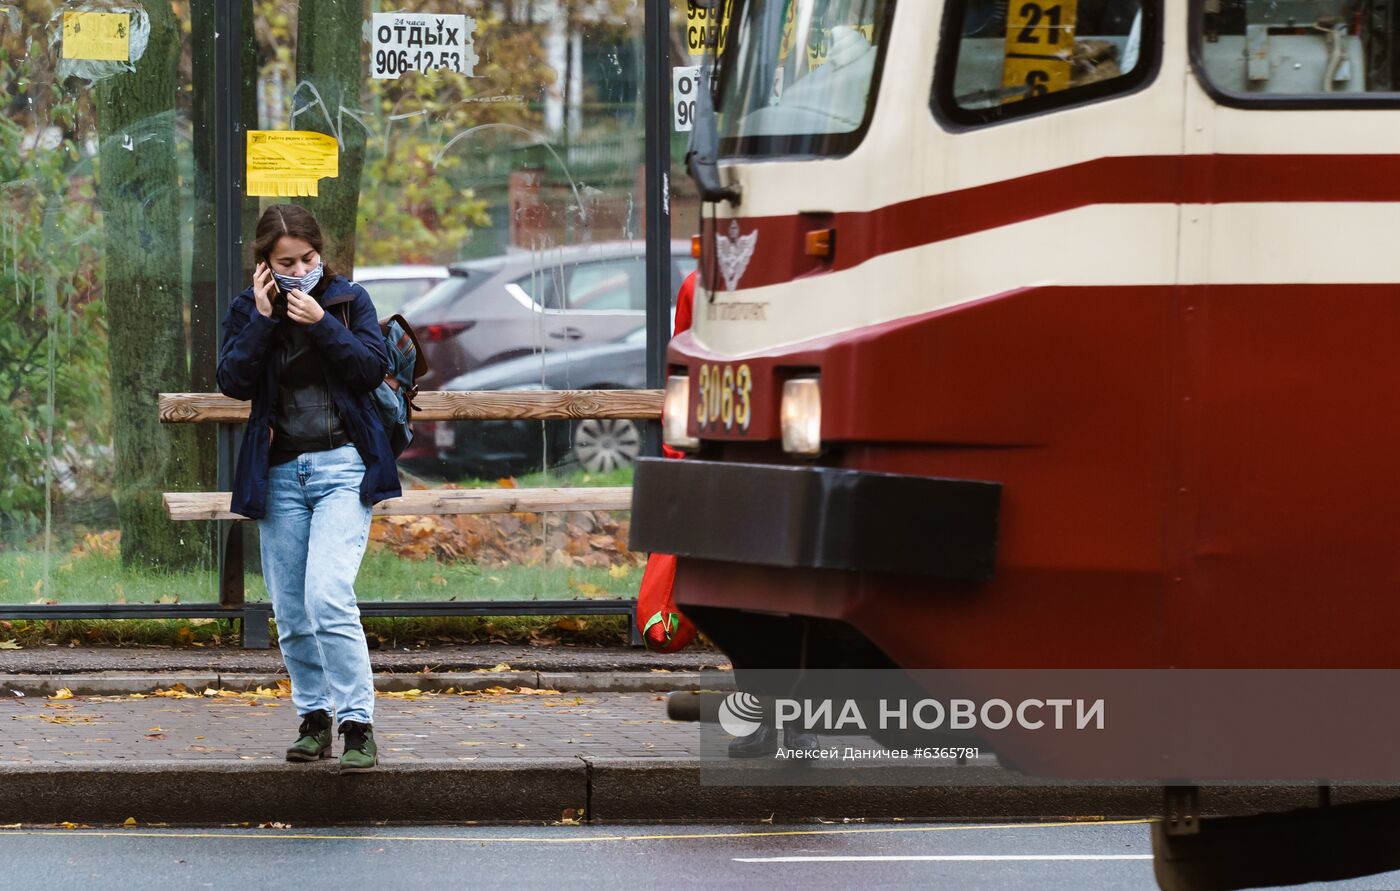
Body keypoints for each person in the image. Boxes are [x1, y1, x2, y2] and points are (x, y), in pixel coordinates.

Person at [216, 204, 401, 773]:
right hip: (280, 475)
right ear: (265, 266)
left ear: (322, 254)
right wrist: (267, 317)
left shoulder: (347, 302)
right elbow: (232, 380)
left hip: (343, 468)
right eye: (285, 262)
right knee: (292, 610)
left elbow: (370, 369)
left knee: (327, 596)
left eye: (308, 258)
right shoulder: (252, 308)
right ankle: (314, 720)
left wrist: (320, 321)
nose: (299, 270)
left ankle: (358, 725)